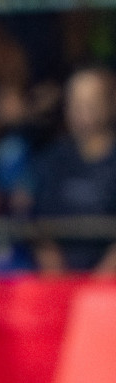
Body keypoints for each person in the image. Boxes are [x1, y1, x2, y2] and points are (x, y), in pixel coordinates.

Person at [32, 67, 116, 274]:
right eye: (76, 102)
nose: (82, 110)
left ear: (110, 103)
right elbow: (39, 225)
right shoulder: (53, 159)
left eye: (91, 102)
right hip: (60, 282)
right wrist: (61, 280)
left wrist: (97, 283)